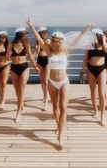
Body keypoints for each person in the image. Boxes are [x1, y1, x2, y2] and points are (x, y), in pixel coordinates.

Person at [26, 18, 91, 149]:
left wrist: (85, 30)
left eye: (56, 42)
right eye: (53, 41)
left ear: (61, 42)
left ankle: (60, 135)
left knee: (63, 108)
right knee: (55, 107)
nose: (54, 43)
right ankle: (58, 125)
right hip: (52, 82)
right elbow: (39, 39)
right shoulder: (48, 51)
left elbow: (77, 39)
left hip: (64, 82)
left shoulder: (66, 50)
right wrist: (32, 26)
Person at [8, 27, 40, 123]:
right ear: (19, 34)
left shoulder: (26, 43)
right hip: (13, 68)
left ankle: (18, 113)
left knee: (21, 91)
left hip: (24, 68)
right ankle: (21, 104)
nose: (25, 35)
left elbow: (30, 56)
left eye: (25, 34)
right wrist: (8, 54)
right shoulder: (10, 44)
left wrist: (35, 66)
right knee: (17, 91)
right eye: (24, 34)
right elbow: (6, 58)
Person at [82, 29, 107, 126]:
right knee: (93, 92)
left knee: (101, 93)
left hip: (101, 69)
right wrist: (83, 69)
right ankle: (95, 111)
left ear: (98, 36)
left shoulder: (104, 46)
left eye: (93, 36)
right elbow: (85, 58)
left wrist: (104, 39)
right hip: (90, 69)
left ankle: (103, 116)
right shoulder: (89, 46)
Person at [35, 27, 50, 111]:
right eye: (43, 32)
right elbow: (37, 51)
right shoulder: (38, 41)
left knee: (46, 81)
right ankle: (44, 95)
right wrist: (38, 44)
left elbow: (50, 49)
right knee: (42, 81)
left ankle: (47, 101)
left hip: (47, 61)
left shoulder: (48, 41)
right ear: (40, 33)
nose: (45, 34)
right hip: (40, 61)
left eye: (46, 32)